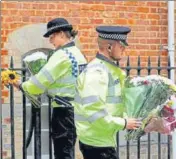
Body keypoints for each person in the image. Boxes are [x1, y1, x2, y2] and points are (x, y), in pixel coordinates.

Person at [14, 18, 87, 159]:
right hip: (77, 109)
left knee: (62, 153)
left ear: (61, 34)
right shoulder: (77, 53)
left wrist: (21, 84)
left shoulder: (61, 56)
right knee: (68, 150)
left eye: (52, 36)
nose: (50, 40)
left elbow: (37, 85)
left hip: (63, 111)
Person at [73, 25, 142, 159]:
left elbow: (117, 103)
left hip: (101, 139)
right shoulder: (97, 72)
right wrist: (125, 123)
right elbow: (95, 113)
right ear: (109, 47)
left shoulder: (110, 70)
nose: (124, 50)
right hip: (96, 143)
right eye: (121, 46)